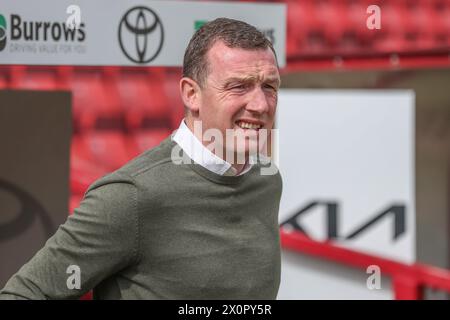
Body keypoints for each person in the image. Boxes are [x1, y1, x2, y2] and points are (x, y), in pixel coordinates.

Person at [0, 17, 283, 300]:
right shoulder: (131, 195)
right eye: (238, 86)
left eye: (269, 87)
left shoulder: (266, 180)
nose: (260, 104)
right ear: (191, 94)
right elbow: (24, 294)